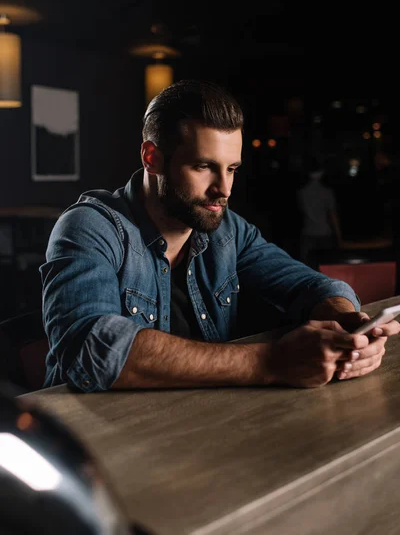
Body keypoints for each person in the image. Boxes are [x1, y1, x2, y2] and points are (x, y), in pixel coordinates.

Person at [40, 80, 399, 393]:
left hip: (199, 427)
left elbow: (311, 286)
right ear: (152, 158)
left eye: (231, 169)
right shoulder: (91, 227)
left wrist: (349, 328)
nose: (223, 189)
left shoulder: (228, 229)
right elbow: (91, 349)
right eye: (203, 166)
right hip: (91, 446)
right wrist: (270, 362)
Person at [297, 157, 343, 268]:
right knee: (325, 269)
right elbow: (333, 216)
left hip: (308, 234)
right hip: (324, 234)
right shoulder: (327, 192)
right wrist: (339, 237)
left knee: (307, 269)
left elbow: (301, 212)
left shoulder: (301, 192)